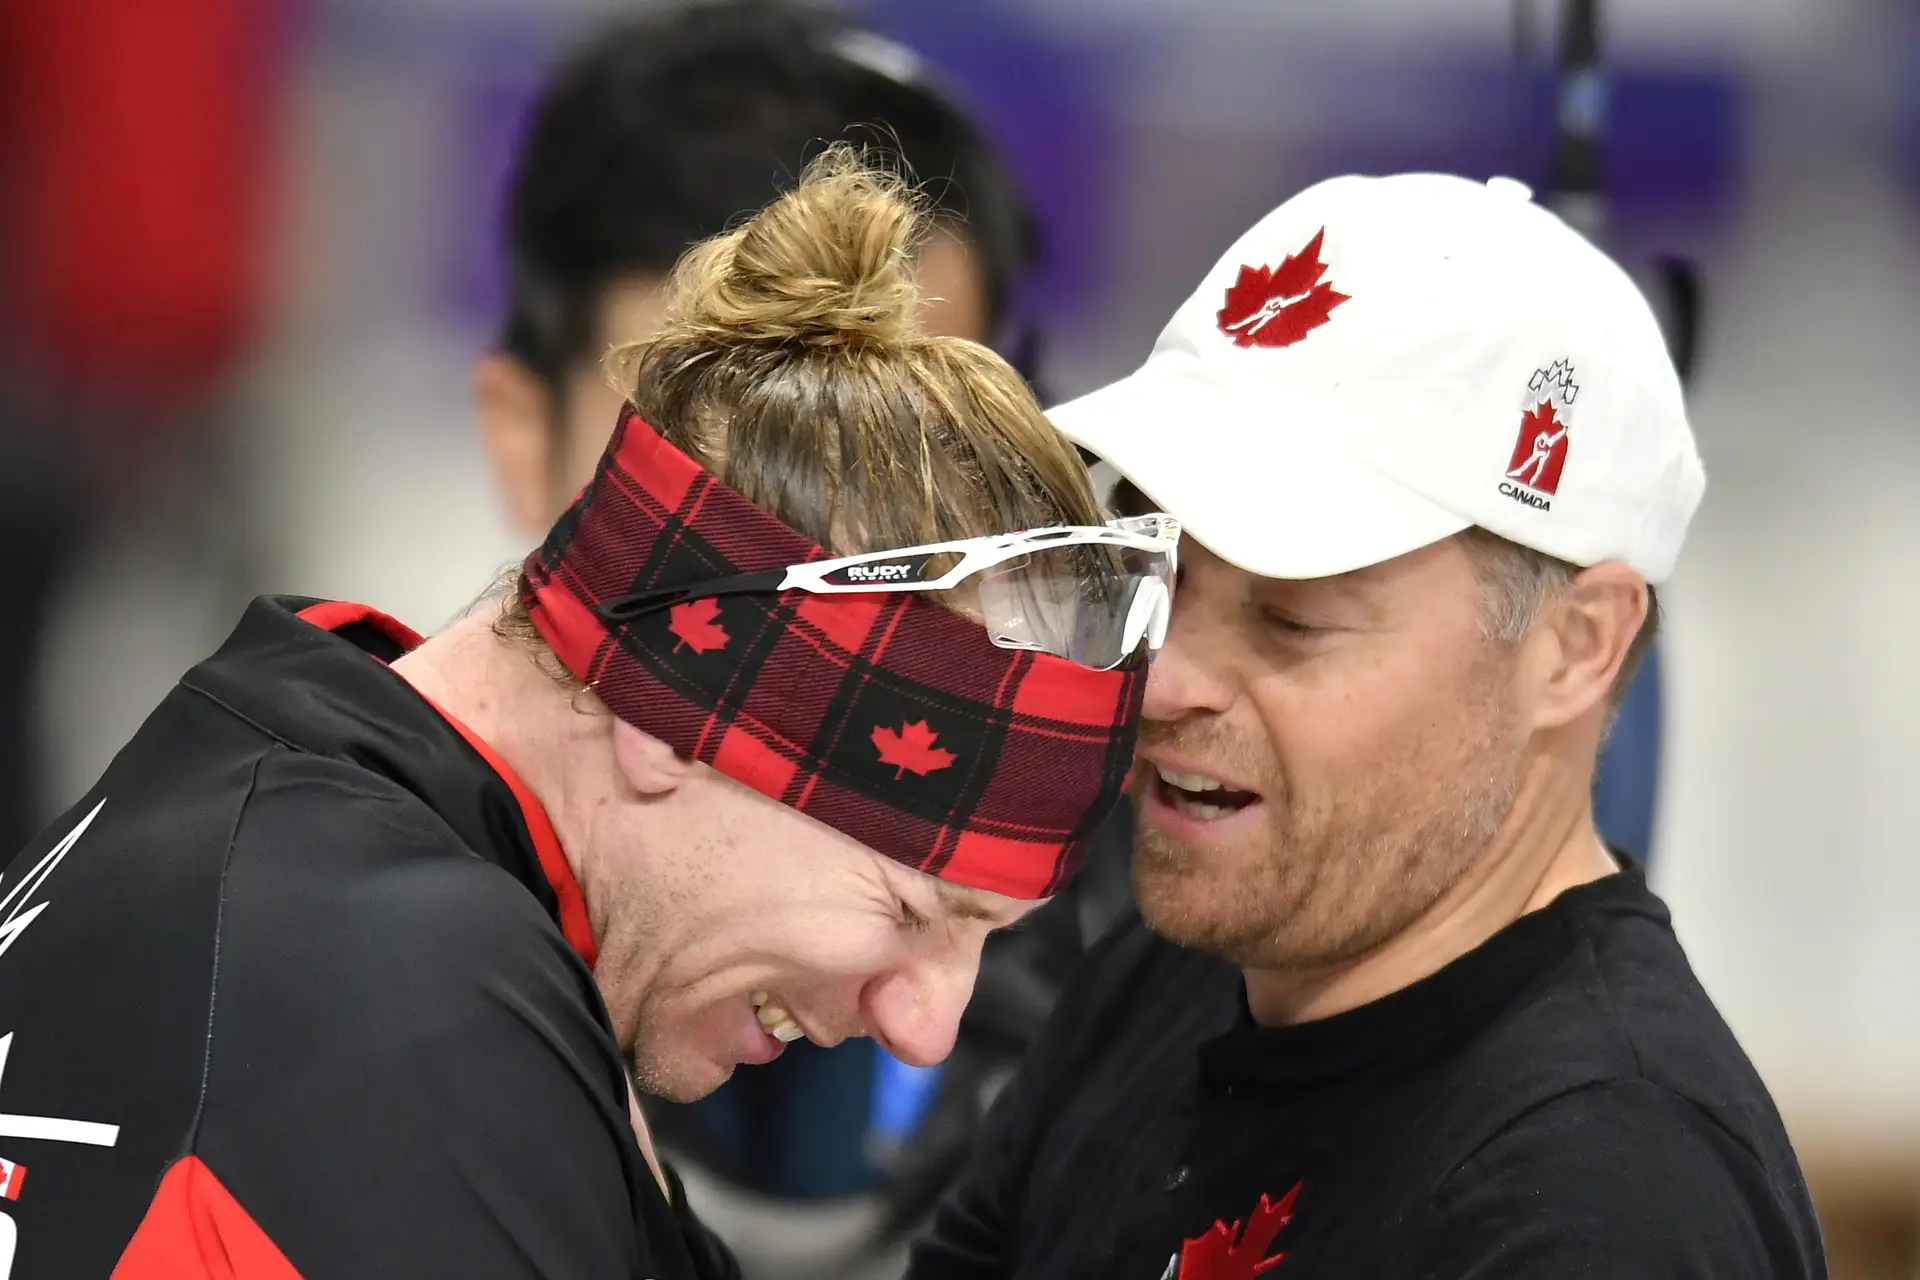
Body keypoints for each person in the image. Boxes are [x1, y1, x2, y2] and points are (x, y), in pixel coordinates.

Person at [0, 152, 1174, 1278]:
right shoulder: (399, 1023)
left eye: (985, 933)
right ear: (672, 719)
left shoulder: (287, 808)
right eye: (913, 902)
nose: (929, 1025)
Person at [909, 173, 1828, 1277]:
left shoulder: (1607, 1201)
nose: (1161, 682)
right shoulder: (1168, 980)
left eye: (1292, 616)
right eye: (1164, 574)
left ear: (1576, 645)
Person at [473, 0, 1126, 1207]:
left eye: (921, 449)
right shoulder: (358, 962)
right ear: (526, 439)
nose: (831, 544)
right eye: (705, 467)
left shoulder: (1147, 980)